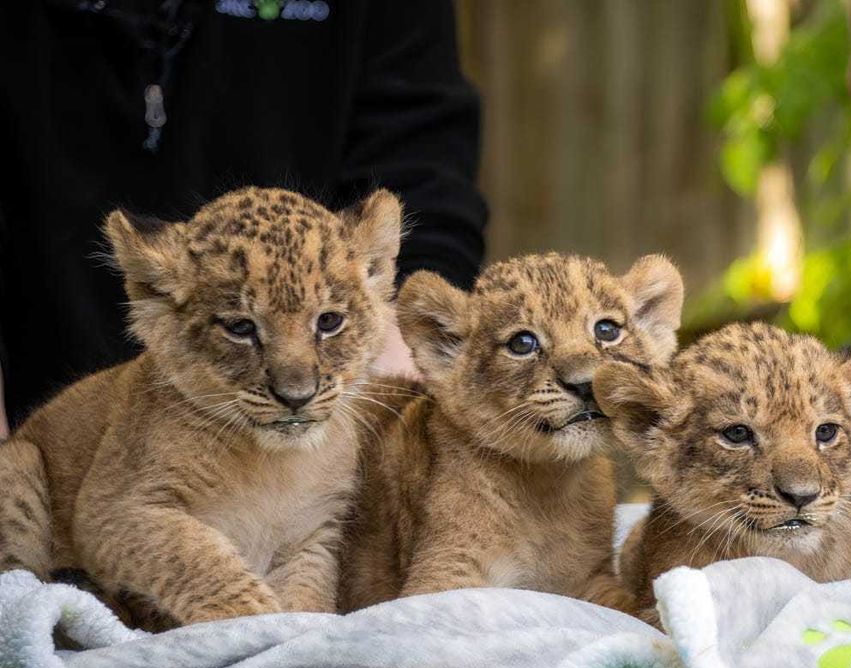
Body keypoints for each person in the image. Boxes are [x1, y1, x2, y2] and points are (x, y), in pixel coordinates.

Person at [0, 0, 487, 435]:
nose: (294, 386)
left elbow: (422, 170)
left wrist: (388, 419)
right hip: (41, 388)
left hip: (340, 404)